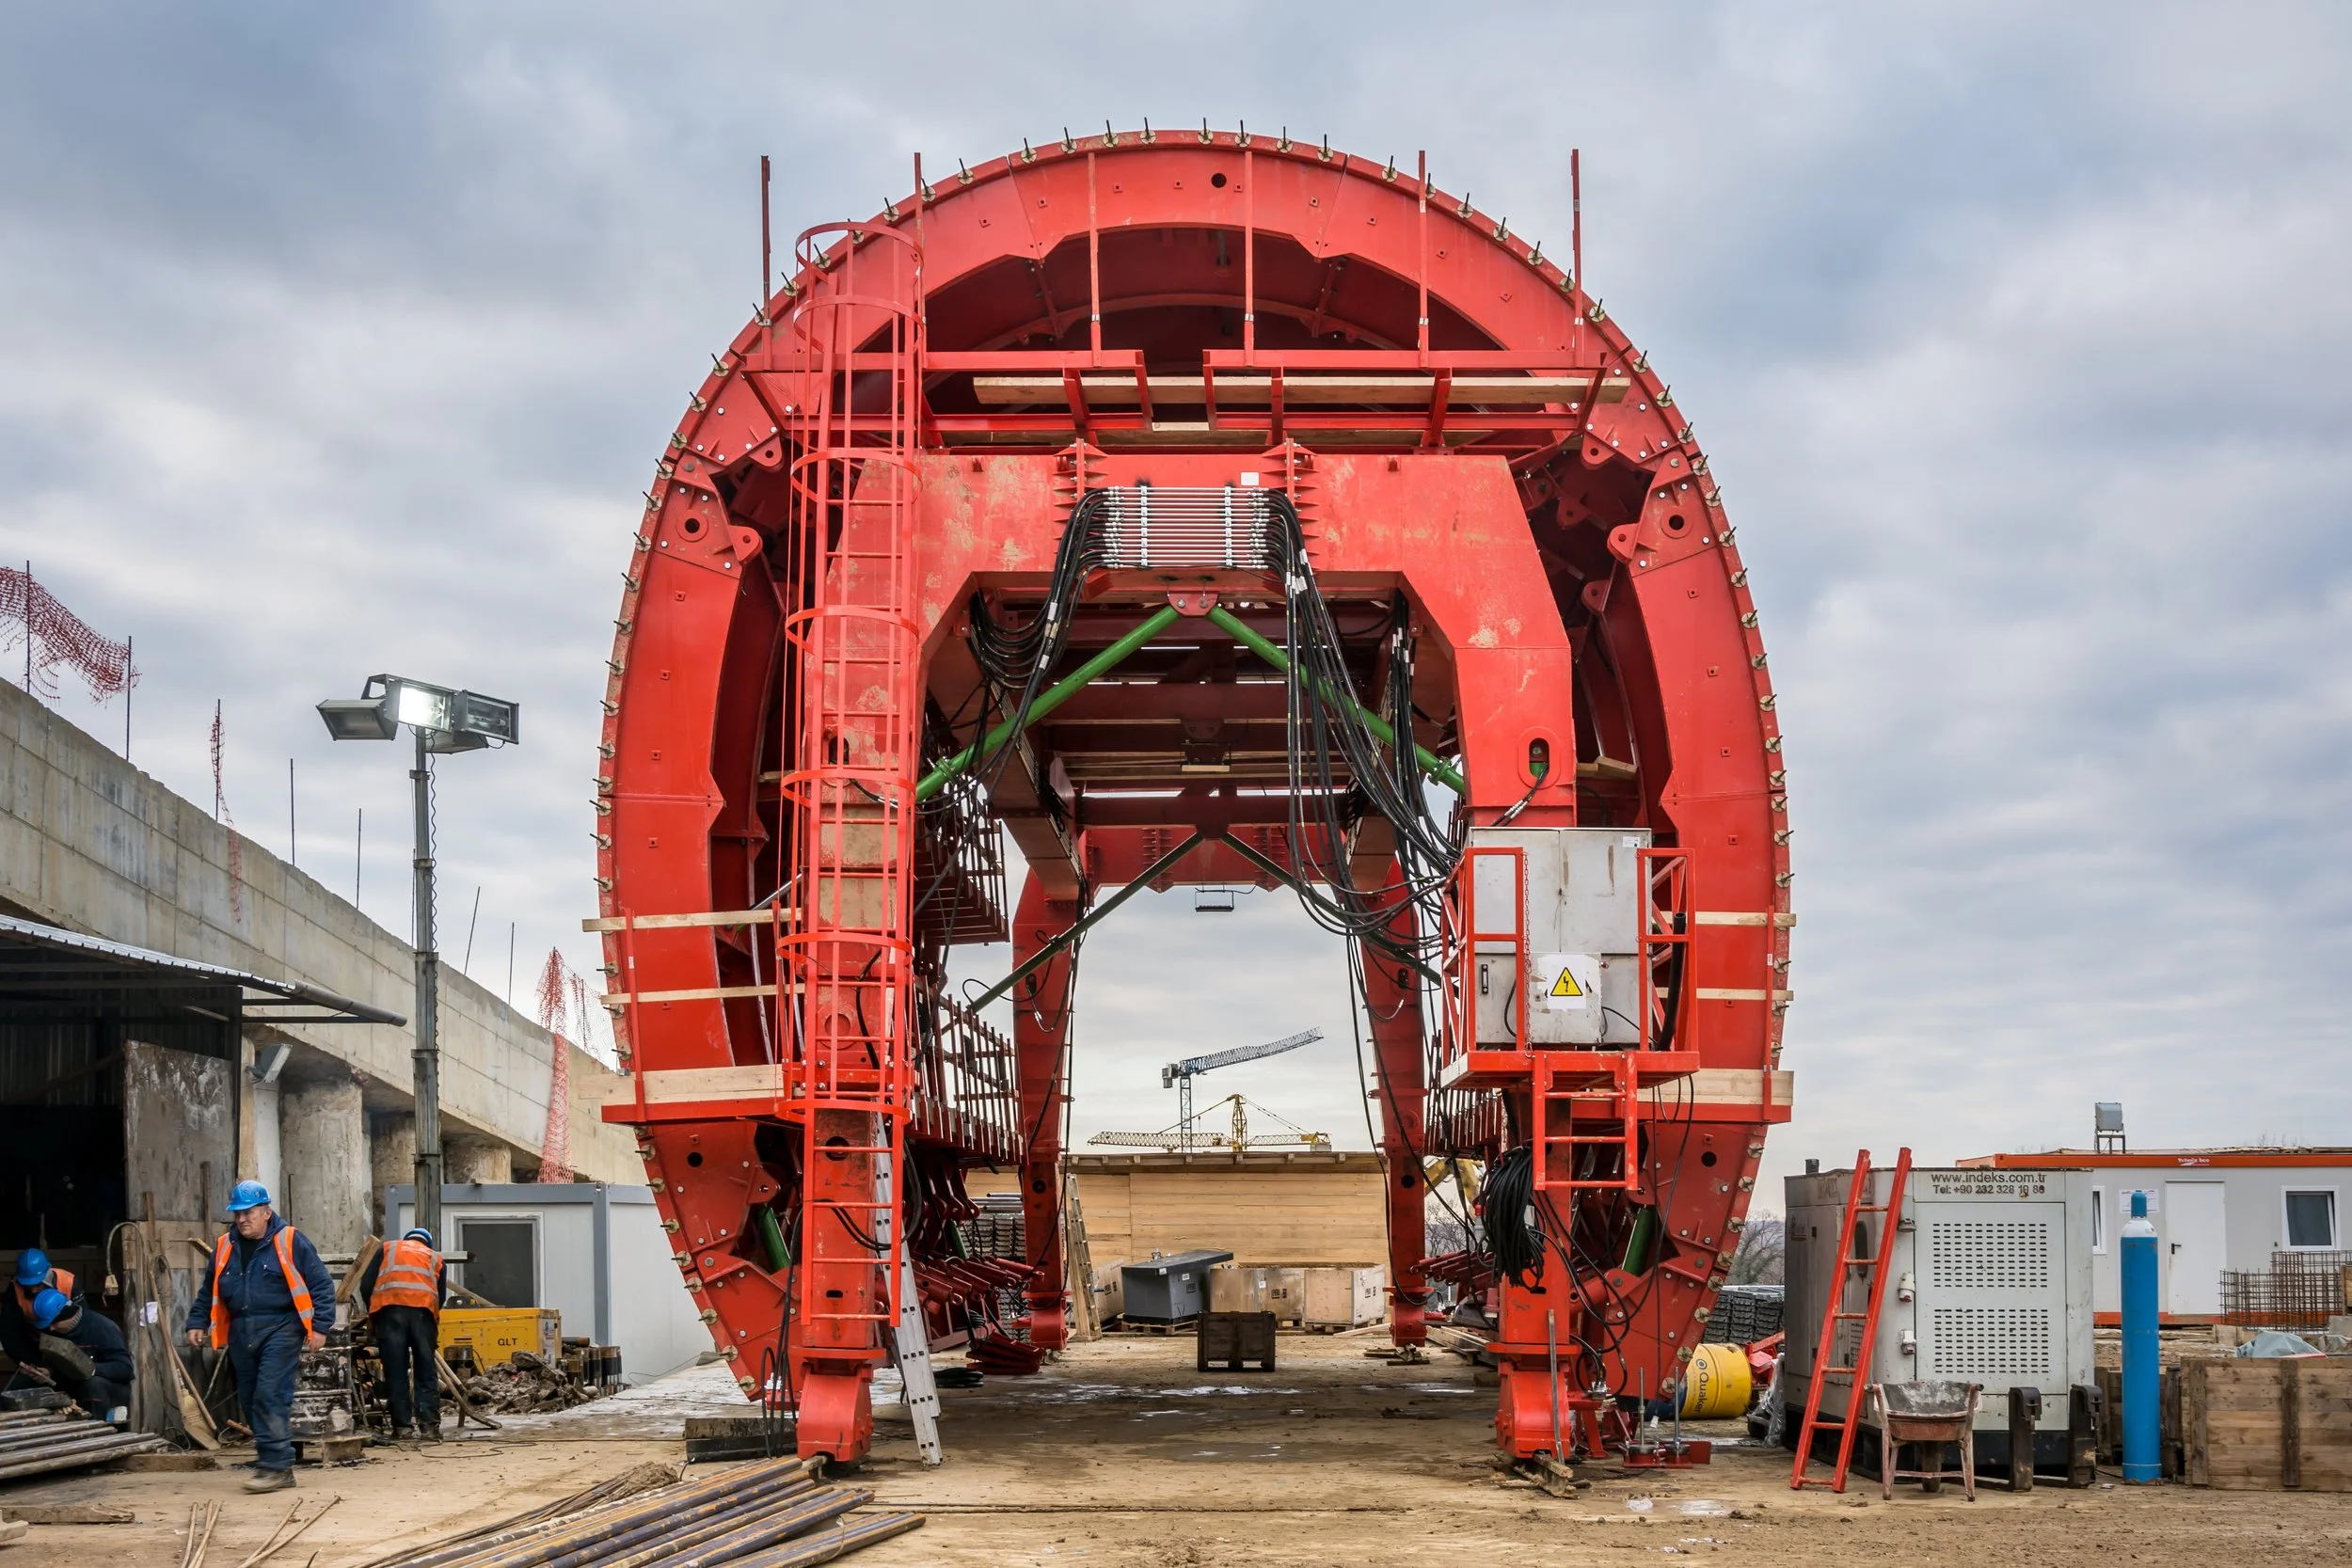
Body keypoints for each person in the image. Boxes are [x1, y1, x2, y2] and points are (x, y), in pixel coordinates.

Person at [183, 1181, 335, 1493]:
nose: (242, 1219)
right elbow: (208, 1289)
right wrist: (197, 1321)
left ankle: (277, 1466)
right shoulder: (225, 1246)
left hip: (282, 1326)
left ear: (266, 1212)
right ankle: (275, 1458)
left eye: (248, 1212)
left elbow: (321, 1284)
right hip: (242, 1330)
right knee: (251, 1399)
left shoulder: (290, 1240)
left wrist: (320, 1326)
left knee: (269, 1394)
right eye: (237, 1214)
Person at [357, 1227, 447, 1443]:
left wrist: (375, 1312)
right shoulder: (435, 1257)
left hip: (390, 1313)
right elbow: (440, 1297)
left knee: (396, 1370)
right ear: (427, 1243)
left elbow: (366, 1285)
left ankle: (402, 1428)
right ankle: (429, 1428)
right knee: (425, 1369)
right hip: (423, 1314)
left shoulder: (388, 1248)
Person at [22, 1289, 132, 1419]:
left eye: (55, 1323)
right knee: (28, 1385)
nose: (51, 1328)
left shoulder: (102, 1328)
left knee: (93, 1384)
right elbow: (53, 1362)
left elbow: (126, 1369)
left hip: (107, 1391)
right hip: (73, 1388)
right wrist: (48, 1373)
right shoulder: (55, 1332)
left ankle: (96, 1429)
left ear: (68, 1314)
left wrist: (91, 1369)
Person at [1, 1248, 78, 1372]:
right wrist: (29, 1363)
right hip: (34, 1348)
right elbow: (10, 1335)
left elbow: (83, 1324)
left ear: (48, 1272)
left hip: (69, 1348)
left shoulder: (68, 1282)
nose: (33, 1290)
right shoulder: (15, 1290)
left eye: (37, 1284)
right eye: (27, 1285)